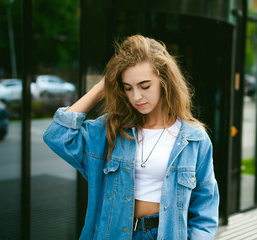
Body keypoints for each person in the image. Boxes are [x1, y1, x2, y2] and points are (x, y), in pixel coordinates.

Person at [43, 34, 219, 240]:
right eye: (128, 88)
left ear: (164, 81)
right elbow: (58, 136)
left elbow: (205, 210)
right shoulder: (112, 129)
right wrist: (101, 87)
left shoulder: (194, 139)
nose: (137, 97)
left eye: (145, 86)